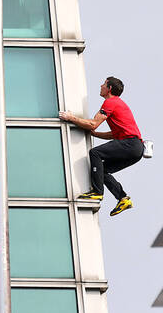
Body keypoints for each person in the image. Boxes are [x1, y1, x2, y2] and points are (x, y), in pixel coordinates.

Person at [59, 76, 143, 216]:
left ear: (109, 88)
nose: (100, 86)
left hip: (130, 144)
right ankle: (123, 198)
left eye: (103, 84)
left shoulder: (110, 102)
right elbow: (112, 134)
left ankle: (97, 193)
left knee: (95, 153)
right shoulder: (118, 104)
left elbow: (93, 123)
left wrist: (71, 118)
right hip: (135, 148)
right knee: (102, 171)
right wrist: (94, 134)